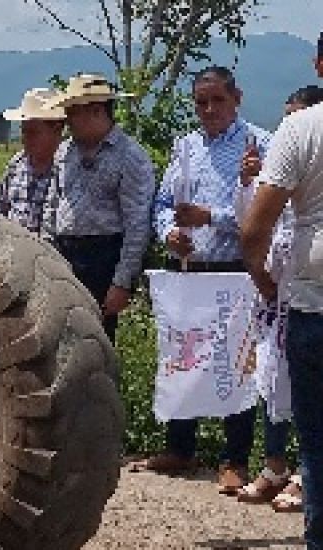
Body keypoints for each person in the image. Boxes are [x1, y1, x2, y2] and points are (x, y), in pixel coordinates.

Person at [135, 67, 273, 496]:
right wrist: (168, 233)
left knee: (236, 363)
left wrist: (209, 217)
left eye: (217, 100)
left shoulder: (260, 146)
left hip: (236, 270)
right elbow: (162, 203)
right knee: (185, 355)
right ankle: (180, 446)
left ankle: (234, 458)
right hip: (190, 270)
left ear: (237, 98)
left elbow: (265, 215)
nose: (209, 110)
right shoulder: (186, 146)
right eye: (201, 102)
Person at [240, 32, 323, 548]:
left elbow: (254, 230)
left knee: (317, 445)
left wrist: (266, 283)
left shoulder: (300, 128)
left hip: (314, 304)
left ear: (319, 63)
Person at [42, 73, 155, 339]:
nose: (68, 120)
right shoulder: (64, 152)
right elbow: (52, 204)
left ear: (96, 111)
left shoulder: (130, 156)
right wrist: (47, 253)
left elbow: (137, 225)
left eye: (73, 112)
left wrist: (121, 282)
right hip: (64, 253)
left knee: (96, 340)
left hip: (103, 257)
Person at [0, 88, 66, 233]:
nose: (25, 139)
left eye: (33, 133)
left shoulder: (69, 169)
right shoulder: (16, 165)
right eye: (23, 131)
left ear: (57, 130)